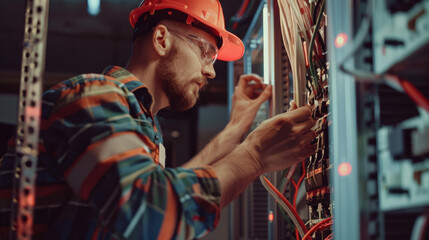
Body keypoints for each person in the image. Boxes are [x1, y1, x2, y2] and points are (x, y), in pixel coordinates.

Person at [0, 0, 316, 239]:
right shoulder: (91, 96)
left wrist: (235, 131)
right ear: (162, 39)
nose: (212, 71)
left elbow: (163, 190)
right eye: (206, 51)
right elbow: (148, 215)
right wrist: (254, 156)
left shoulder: (140, 122)